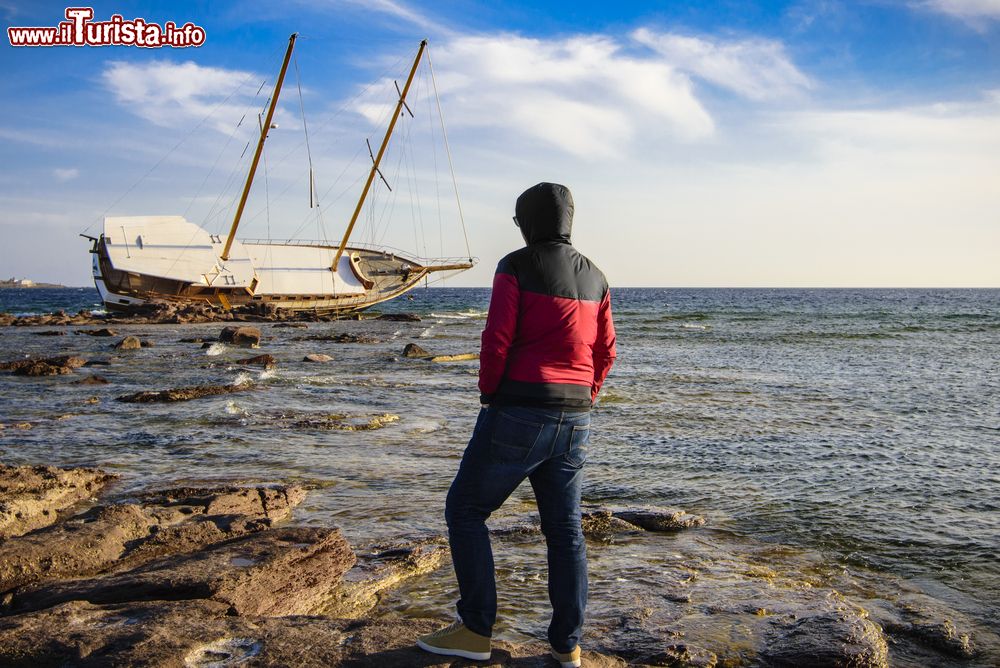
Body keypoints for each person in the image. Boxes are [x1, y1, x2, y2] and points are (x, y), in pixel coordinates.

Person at [416, 182, 617, 667]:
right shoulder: (597, 277)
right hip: (575, 419)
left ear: (528, 222)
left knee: (465, 511)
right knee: (565, 530)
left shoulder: (515, 265)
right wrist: (585, 396)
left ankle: (475, 630)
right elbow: (605, 352)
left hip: (519, 411)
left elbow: (497, 338)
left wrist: (490, 393)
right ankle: (567, 645)